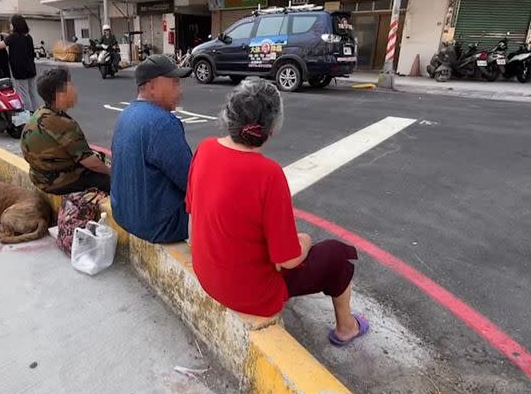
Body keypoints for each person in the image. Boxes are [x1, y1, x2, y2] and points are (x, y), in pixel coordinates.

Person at [186, 78, 368, 346]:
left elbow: (192, 217)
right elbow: (288, 260)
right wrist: (304, 241)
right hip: (251, 294)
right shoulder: (268, 173)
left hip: (207, 274)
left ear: (228, 115)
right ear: (272, 128)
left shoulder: (205, 148)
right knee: (336, 255)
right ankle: (346, 328)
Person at [111, 55, 192, 243]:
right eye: (174, 83)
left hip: (124, 214)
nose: (180, 91)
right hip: (160, 225)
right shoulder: (163, 123)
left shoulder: (126, 114)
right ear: (152, 86)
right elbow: (191, 181)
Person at [21, 68, 110, 194]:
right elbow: (91, 163)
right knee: (110, 181)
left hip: (39, 178)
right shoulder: (63, 124)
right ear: (60, 94)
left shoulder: (41, 113)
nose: (75, 89)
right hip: (57, 182)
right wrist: (112, 172)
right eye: (71, 85)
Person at [0, 14, 39, 112]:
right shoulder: (28, 37)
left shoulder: (13, 37)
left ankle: (28, 116)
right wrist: (6, 35)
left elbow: (0, 45)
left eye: (11, 24)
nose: (10, 26)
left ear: (15, 25)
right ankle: (37, 113)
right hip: (31, 69)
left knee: (24, 95)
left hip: (20, 71)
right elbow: (16, 39)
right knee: (33, 93)